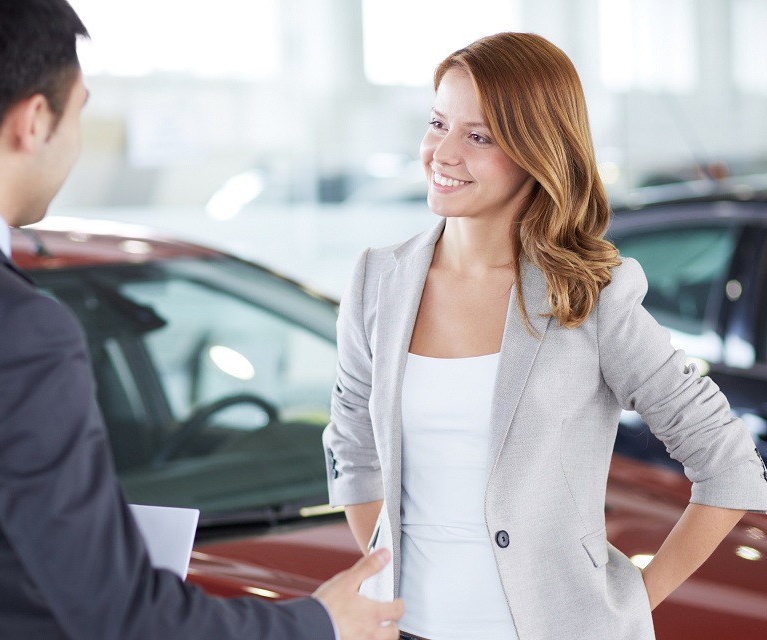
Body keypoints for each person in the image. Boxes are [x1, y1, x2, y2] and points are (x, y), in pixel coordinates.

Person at [0, 1, 406, 638]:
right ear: (34, 120)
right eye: (80, 110)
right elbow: (117, 614)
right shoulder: (15, 328)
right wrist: (319, 622)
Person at [322, 31, 767, 640]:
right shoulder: (378, 279)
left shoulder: (589, 295)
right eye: (437, 123)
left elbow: (730, 464)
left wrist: (629, 602)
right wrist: (392, 572)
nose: (441, 153)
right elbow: (353, 449)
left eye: (478, 136)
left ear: (537, 153)